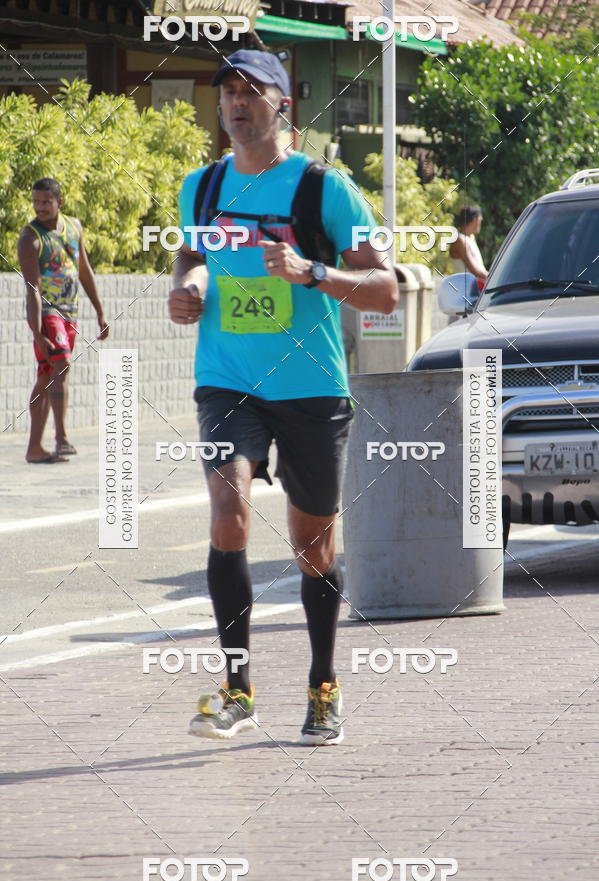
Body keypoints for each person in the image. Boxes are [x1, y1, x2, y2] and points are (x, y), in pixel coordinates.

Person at [168, 50, 398, 745]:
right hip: (228, 379)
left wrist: (312, 271)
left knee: (312, 548)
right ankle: (237, 689)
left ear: (282, 105)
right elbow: (193, 253)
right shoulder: (201, 188)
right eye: (227, 92)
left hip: (310, 388)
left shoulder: (325, 189)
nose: (237, 102)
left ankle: (322, 684)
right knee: (227, 508)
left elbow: (386, 286)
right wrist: (188, 288)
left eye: (252, 91)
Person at [18, 177, 109, 463]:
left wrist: (100, 311)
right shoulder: (30, 237)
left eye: (46, 202)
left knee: (46, 376)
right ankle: (61, 438)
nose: (40, 207)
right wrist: (36, 332)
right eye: (36, 202)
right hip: (48, 314)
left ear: (60, 202)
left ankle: (35, 448)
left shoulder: (74, 228)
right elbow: (32, 289)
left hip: (71, 313)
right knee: (62, 365)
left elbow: (85, 271)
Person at [449, 205, 488, 281]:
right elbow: (474, 271)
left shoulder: (470, 237)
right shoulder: (460, 241)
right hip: (467, 290)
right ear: (475, 220)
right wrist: (496, 279)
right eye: (480, 220)